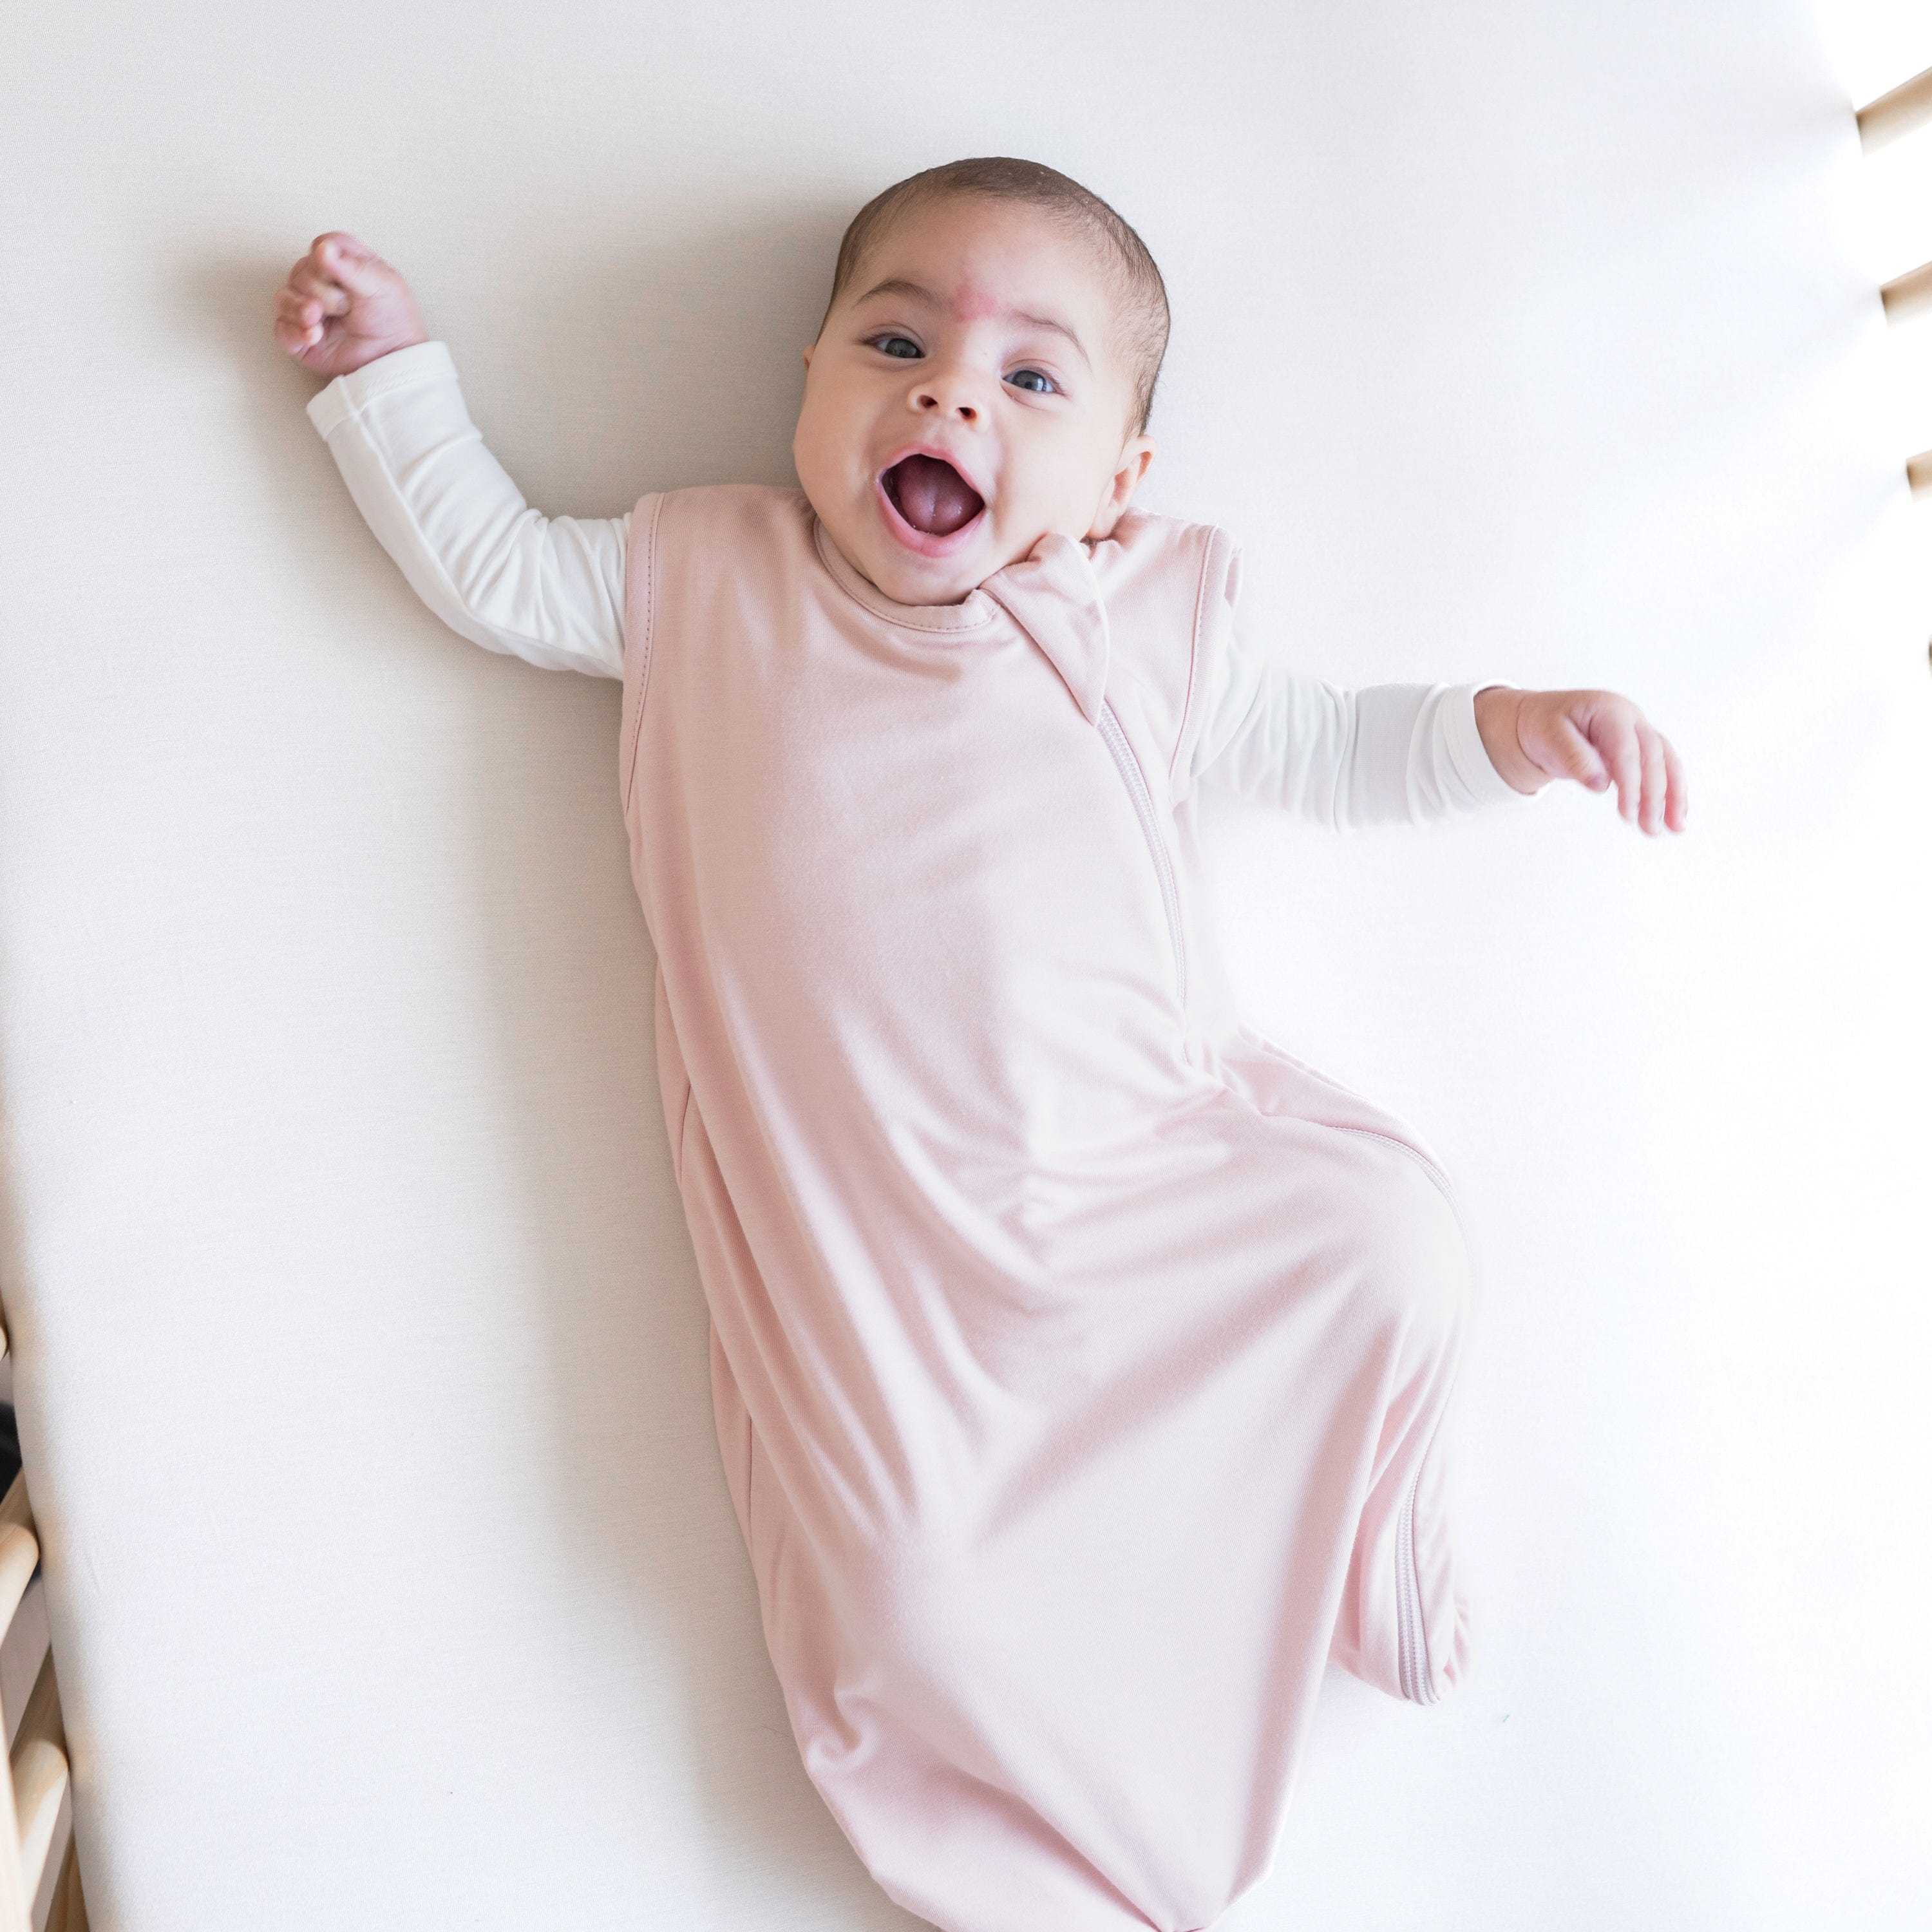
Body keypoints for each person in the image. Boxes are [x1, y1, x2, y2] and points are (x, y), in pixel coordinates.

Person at [276, 158, 1686, 1932]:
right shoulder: (699, 577)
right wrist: (387, 375)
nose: (949, 389)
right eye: (897, 341)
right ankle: (1081, 1900)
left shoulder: (1146, 612)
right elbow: (491, 570)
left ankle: (1371, 1538)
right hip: (884, 1278)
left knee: (1392, 1247)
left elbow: (1329, 750)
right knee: (899, 1608)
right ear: (810, 380)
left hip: (1148, 1192)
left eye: (1034, 378)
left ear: (1118, 480)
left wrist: (1514, 726)